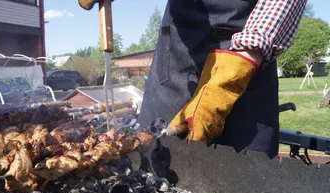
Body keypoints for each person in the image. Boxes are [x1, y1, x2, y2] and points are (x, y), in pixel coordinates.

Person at [78, 0, 307, 159]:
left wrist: (239, 68)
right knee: (152, 161)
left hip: (248, 63)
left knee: (250, 179)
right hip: (175, 57)